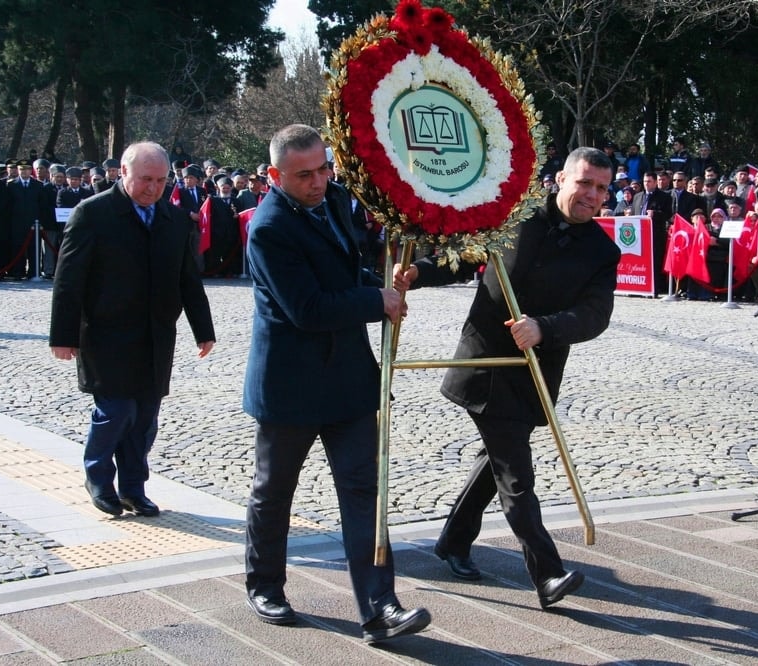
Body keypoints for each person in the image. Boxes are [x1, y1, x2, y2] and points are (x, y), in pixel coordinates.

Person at [397, 146, 621, 609]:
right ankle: (547, 573)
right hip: (484, 364)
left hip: (534, 372)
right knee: (515, 474)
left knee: (498, 461)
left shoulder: (603, 251)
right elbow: (464, 257)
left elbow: (595, 315)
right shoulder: (511, 218)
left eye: (601, 188)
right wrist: (419, 271)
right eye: (584, 183)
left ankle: (454, 541)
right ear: (561, 178)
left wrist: (545, 327)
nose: (592, 195)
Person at [241, 124, 429, 643]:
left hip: (347, 378)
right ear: (276, 176)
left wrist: (383, 284)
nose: (319, 181)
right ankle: (265, 584)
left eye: (324, 169)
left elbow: (344, 276)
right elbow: (306, 308)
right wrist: (377, 302)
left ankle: (380, 607)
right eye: (305, 175)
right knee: (274, 491)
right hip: (290, 384)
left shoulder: (337, 200)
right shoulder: (269, 227)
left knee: (365, 490)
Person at [49, 141, 215, 518]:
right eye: (145, 179)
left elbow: (188, 279)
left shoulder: (173, 221)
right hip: (106, 334)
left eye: (160, 180)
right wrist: (63, 335)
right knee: (116, 411)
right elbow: (68, 279)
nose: (153, 188)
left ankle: (133, 488)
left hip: (155, 336)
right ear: (122, 173)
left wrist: (202, 328)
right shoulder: (93, 214)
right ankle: (99, 479)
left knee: (144, 419)